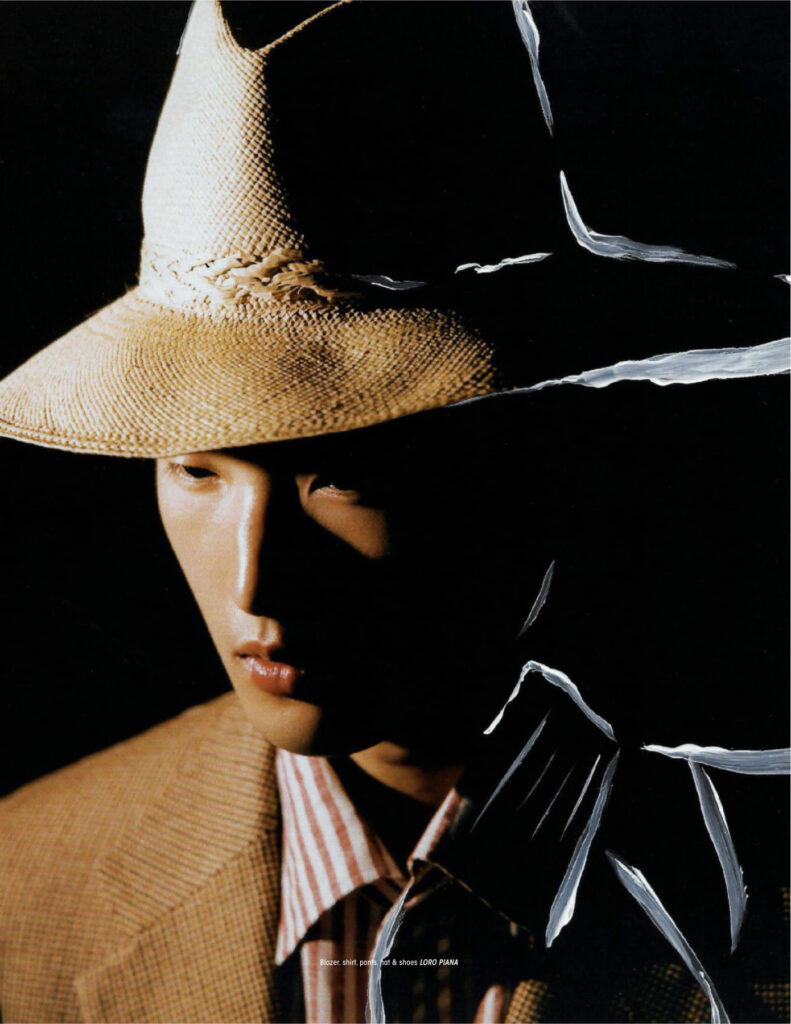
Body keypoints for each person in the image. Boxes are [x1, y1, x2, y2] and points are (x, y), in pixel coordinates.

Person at [0, 3, 787, 1022]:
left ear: (538, 454)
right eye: (194, 470)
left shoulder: (752, 883)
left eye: (341, 474)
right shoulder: (29, 883)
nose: (254, 580)